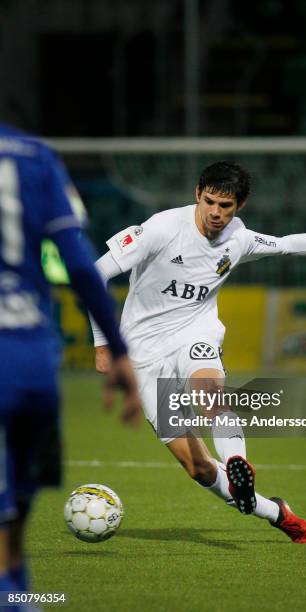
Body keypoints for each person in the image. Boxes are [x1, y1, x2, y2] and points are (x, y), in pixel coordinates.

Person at [91, 160, 306, 544]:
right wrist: (101, 341)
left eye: (225, 206)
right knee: (197, 469)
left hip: (196, 333)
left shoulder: (239, 238)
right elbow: (94, 273)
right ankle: (278, 513)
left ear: (239, 206)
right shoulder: (161, 229)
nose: (215, 212)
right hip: (143, 353)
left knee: (208, 393)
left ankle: (236, 460)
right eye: (209, 201)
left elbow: (288, 245)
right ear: (197, 194)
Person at [0, 123, 142, 598]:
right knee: (17, 508)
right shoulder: (34, 155)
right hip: (28, 357)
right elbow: (80, 265)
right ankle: (16, 594)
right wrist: (118, 350)